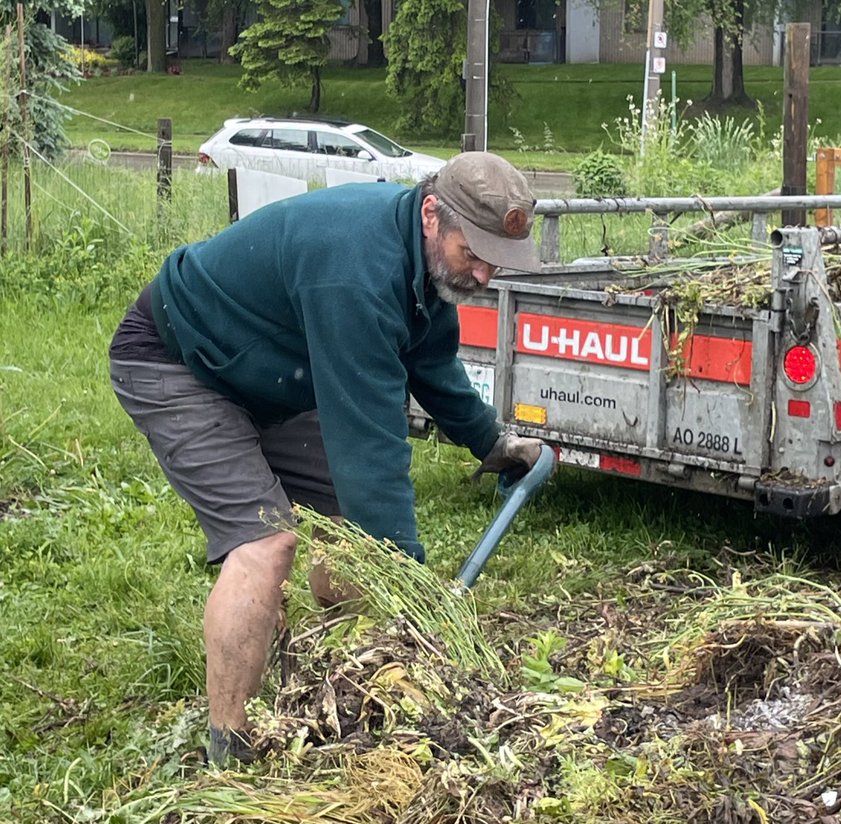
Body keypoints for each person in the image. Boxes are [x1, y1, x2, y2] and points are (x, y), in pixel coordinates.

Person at [109, 151, 545, 766]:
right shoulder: (355, 271)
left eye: (493, 261)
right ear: (430, 216)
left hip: (268, 374)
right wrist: (412, 586)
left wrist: (490, 443)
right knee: (266, 544)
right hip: (179, 361)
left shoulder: (417, 264)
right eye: (471, 254)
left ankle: (328, 681)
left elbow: (432, 362)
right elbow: (368, 442)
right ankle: (228, 754)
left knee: (353, 541)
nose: (481, 275)